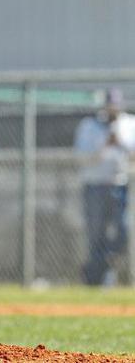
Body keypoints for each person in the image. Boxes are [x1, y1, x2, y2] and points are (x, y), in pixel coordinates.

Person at [74, 88, 135, 286]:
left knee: (123, 232)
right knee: (96, 235)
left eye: (115, 105)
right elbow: (81, 157)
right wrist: (104, 146)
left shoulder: (128, 124)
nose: (112, 109)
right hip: (95, 186)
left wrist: (120, 144)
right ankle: (96, 280)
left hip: (120, 185)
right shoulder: (90, 125)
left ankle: (102, 266)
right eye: (109, 105)